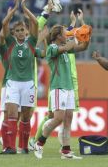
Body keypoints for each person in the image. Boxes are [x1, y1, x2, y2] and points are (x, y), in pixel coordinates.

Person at [33, 21, 90, 159]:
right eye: (65, 33)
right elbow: (66, 47)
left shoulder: (65, 46)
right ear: (58, 36)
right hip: (58, 87)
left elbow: (82, 47)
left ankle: (66, 151)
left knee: (68, 120)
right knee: (58, 118)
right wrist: (77, 34)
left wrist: (87, 36)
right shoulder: (52, 47)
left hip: (69, 88)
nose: (67, 35)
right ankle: (39, 143)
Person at [0, 0, 39, 154]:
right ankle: (10, 147)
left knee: (26, 117)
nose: (21, 32)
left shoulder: (31, 42)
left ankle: (24, 146)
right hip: (12, 83)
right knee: (12, 114)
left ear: (27, 31)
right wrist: (14, 9)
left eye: (23, 30)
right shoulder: (10, 43)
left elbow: (35, 22)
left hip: (28, 84)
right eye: (18, 30)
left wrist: (25, 8)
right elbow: (4, 23)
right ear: (14, 33)